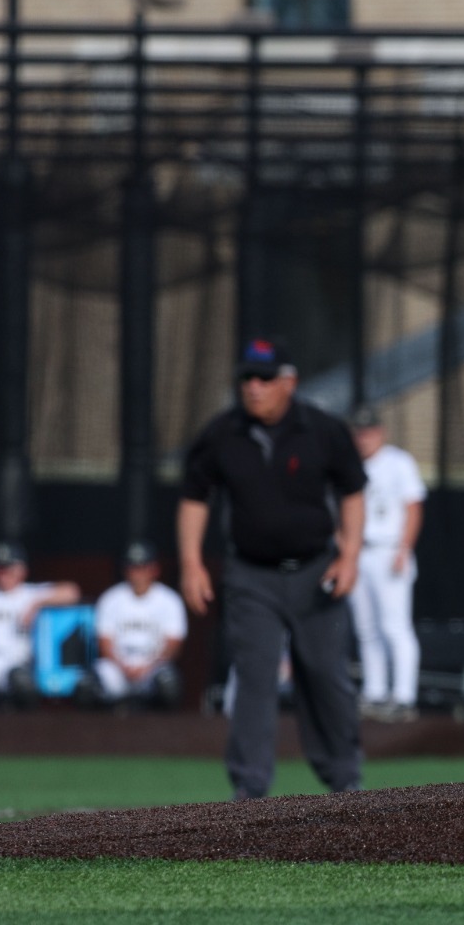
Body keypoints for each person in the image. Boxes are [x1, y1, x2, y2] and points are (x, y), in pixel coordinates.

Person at [178, 337, 367, 800]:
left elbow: (353, 492)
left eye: (264, 378)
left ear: (289, 382)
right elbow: (194, 497)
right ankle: (250, 788)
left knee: (324, 674)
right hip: (251, 574)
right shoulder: (223, 433)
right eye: (247, 378)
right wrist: (190, 563)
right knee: (255, 678)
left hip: (313, 571)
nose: (254, 387)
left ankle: (345, 780)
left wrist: (350, 556)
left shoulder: (322, 429)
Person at [346, 405, 426, 723]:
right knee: (366, 629)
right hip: (358, 551)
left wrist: (404, 549)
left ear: (381, 432)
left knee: (395, 626)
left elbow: (413, 506)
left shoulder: (398, 462)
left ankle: (405, 696)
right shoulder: (349, 464)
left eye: (369, 431)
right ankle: (375, 692)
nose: (364, 438)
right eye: (358, 432)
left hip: (389, 549)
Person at [0, 542, 80, 706]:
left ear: (22, 570)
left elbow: (72, 591)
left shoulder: (30, 593)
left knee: (22, 684)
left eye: (8, 568)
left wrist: (37, 604)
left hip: (13, 665)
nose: (2, 573)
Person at [87, 541, 187, 708]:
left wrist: (148, 666)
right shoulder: (111, 598)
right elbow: (104, 642)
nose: (137, 573)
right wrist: (123, 666)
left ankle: (162, 730)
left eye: (142, 567)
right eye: (132, 567)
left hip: (152, 667)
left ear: (154, 569)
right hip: (119, 668)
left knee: (169, 685)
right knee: (87, 687)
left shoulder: (170, 600)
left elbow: (173, 644)